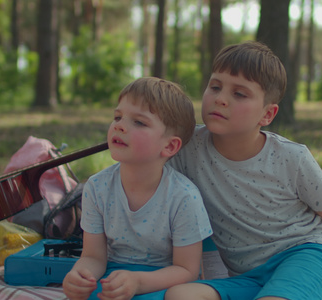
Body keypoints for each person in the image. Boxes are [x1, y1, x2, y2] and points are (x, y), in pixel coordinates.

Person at [165, 41, 322, 300]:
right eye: (215, 86)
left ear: (267, 114)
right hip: (248, 277)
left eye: (239, 94)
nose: (220, 99)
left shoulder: (291, 157)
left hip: (308, 255)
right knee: (180, 295)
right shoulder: (186, 148)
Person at [63, 77, 212, 300]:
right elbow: (93, 258)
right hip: (111, 279)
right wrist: (79, 276)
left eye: (139, 122)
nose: (120, 125)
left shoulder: (183, 197)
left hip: (161, 283)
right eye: (118, 116)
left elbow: (188, 271)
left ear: (170, 146)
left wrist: (138, 282)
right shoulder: (96, 187)